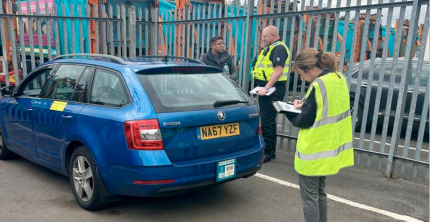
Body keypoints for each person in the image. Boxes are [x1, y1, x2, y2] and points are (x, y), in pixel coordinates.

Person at [285, 48, 355, 222]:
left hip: (313, 151)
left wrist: (288, 111)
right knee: (320, 193)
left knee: (309, 199)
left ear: (309, 69)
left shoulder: (318, 84)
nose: (301, 78)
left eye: (301, 74)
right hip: (329, 149)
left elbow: (303, 121)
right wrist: (304, 105)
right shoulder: (338, 78)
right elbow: (324, 107)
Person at [252, 25, 290, 163]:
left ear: (273, 35)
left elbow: (278, 70)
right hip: (267, 89)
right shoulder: (269, 48)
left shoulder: (278, 48)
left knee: (267, 120)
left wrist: (266, 88)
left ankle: (268, 152)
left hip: (272, 89)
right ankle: (270, 150)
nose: (263, 39)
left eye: (265, 36)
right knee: (268, 120)